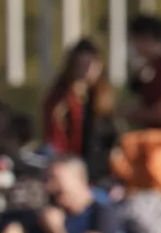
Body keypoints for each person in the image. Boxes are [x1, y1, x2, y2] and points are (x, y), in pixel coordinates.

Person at [42, 39, 114, 178]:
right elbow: (55, 139)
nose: (86, 70)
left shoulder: (101, 97)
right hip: (69, 162)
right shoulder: (60, 99)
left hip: (97, 165)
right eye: (82, 65)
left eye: (91, 65)